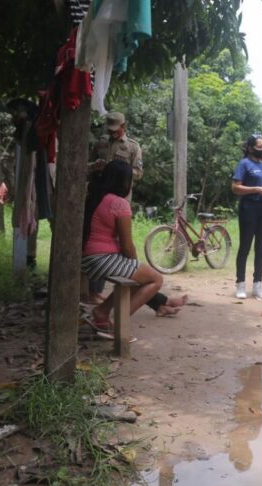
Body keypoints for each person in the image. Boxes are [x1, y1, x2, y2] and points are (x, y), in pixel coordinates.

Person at [81, 160, 187, 331]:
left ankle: (102, 311)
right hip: (101, 258)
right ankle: (119, 322)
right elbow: (127, 245)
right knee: (155, 279)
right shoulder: (119, 204)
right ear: (125, 181)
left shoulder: (95, 197)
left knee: (135, 276)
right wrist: (135, 263)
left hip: (87, 257)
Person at [86, 111, 143, 304]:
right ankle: (95, 292)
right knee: (100, 242)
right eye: (109, 129)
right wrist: (96, 166)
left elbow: (138, 172)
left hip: (120, 200)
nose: (112, 133)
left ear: (123, 126)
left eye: (116, 130)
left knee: (117, 242)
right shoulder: (100, 142)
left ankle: (113, 288)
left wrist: (119, 170)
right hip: (98, 198)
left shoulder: (132, 147)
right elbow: (87, 164)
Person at [232, 133, 262, 300]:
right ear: (250, 148)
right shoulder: (244, 164)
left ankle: (258, 285)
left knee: (261, 248)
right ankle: (240, 284)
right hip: (249, 207)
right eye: (259, 147)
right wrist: (256, 189)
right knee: (245, 247)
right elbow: (235, 188)